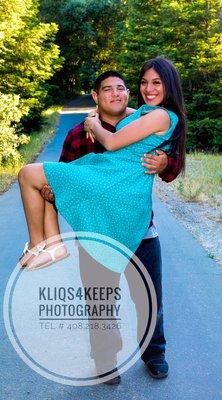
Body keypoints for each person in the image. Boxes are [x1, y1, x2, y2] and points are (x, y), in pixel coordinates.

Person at [18, 57, 186, 382]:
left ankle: (155, 355)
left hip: (139, 226)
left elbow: (172, 165)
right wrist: (55, 192)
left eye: (122, 87)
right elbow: (62, 179)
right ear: (96, 96)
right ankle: (106, 361)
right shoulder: (79, 137)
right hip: (96, 230)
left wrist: (165, 161)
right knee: (100, 301)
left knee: (148, 296)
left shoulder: (147, 119)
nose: (117, 93)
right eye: (107, 89)